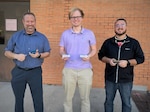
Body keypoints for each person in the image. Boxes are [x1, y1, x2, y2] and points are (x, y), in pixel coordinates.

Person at [4, 12, 51, 112]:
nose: (30, 24)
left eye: (32, 21)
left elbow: (47, 52)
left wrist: (39, 55)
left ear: (35, 22)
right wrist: (16, 56)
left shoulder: (42, 37)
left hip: (35, 72)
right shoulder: (16, 36)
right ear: (23, 22)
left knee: (38, 99)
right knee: (18, 99)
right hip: (19, 71)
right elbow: (7, 52)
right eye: (27, 21)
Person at [98, 18, 145, 112]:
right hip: (110, 79)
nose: (120, 27)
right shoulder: (108, 42)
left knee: (126, 103)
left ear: (126, 27)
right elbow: (101, 55)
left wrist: (127, 62)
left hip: (126, 80)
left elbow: (141, 58)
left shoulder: (133, 43)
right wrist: (109, 60)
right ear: (114, 28)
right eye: (117, 25)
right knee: (108, 102)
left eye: (122, 25)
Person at [59, 7, 97, 112]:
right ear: (70, 19)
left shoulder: (89, 33)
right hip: (69, 70)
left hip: (85, 70)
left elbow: (94, 50)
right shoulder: (65, 34)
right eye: (73, 17)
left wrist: (89, 56)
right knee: (67, 98)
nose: (76, 19)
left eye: (78, 16)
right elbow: (61, 49)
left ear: (82, 17)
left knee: (85, 99)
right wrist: (63, 54)